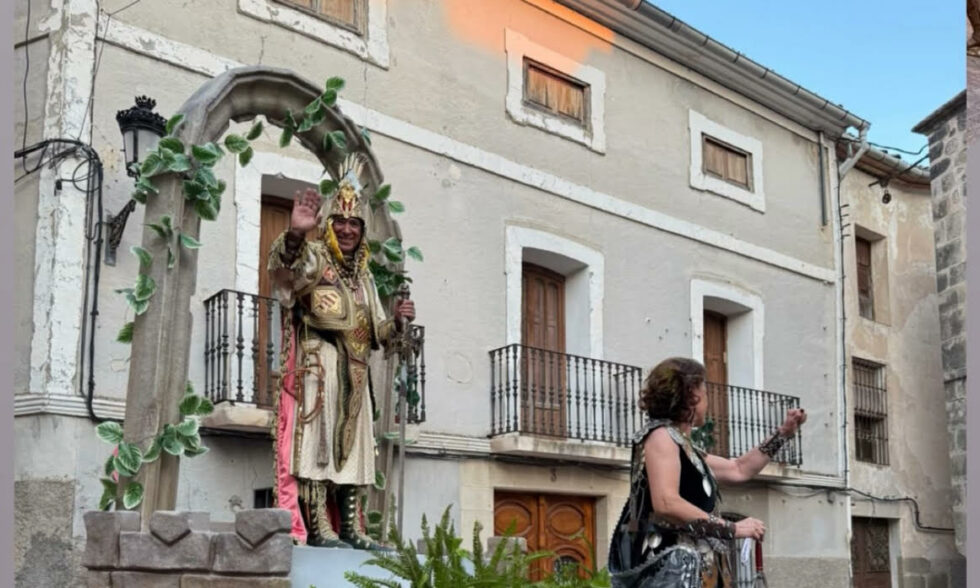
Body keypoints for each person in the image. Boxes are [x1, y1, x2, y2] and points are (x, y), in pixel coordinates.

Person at [267, 155, 415, 550]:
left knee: (357, 447)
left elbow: (378, 331)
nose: (347, 229)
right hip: (320, 363)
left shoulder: (364, 277)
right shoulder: (314, 256)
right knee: (317, 444)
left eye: (354, 224)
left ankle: (351, 527)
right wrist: (295, 235)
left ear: (362, 230)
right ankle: (319, 527)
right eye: (340, 222)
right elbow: (284, 274)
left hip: (357, 369)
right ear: (328, 223)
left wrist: (398, 322)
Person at [609, 357, 807, 587]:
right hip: (669, 570)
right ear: (691, 394)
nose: (708, 401)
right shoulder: (661, 437)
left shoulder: (686, 448)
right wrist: (732, 528)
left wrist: (783, 434)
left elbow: (739, 469)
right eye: (705, 392)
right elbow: (666, 503)